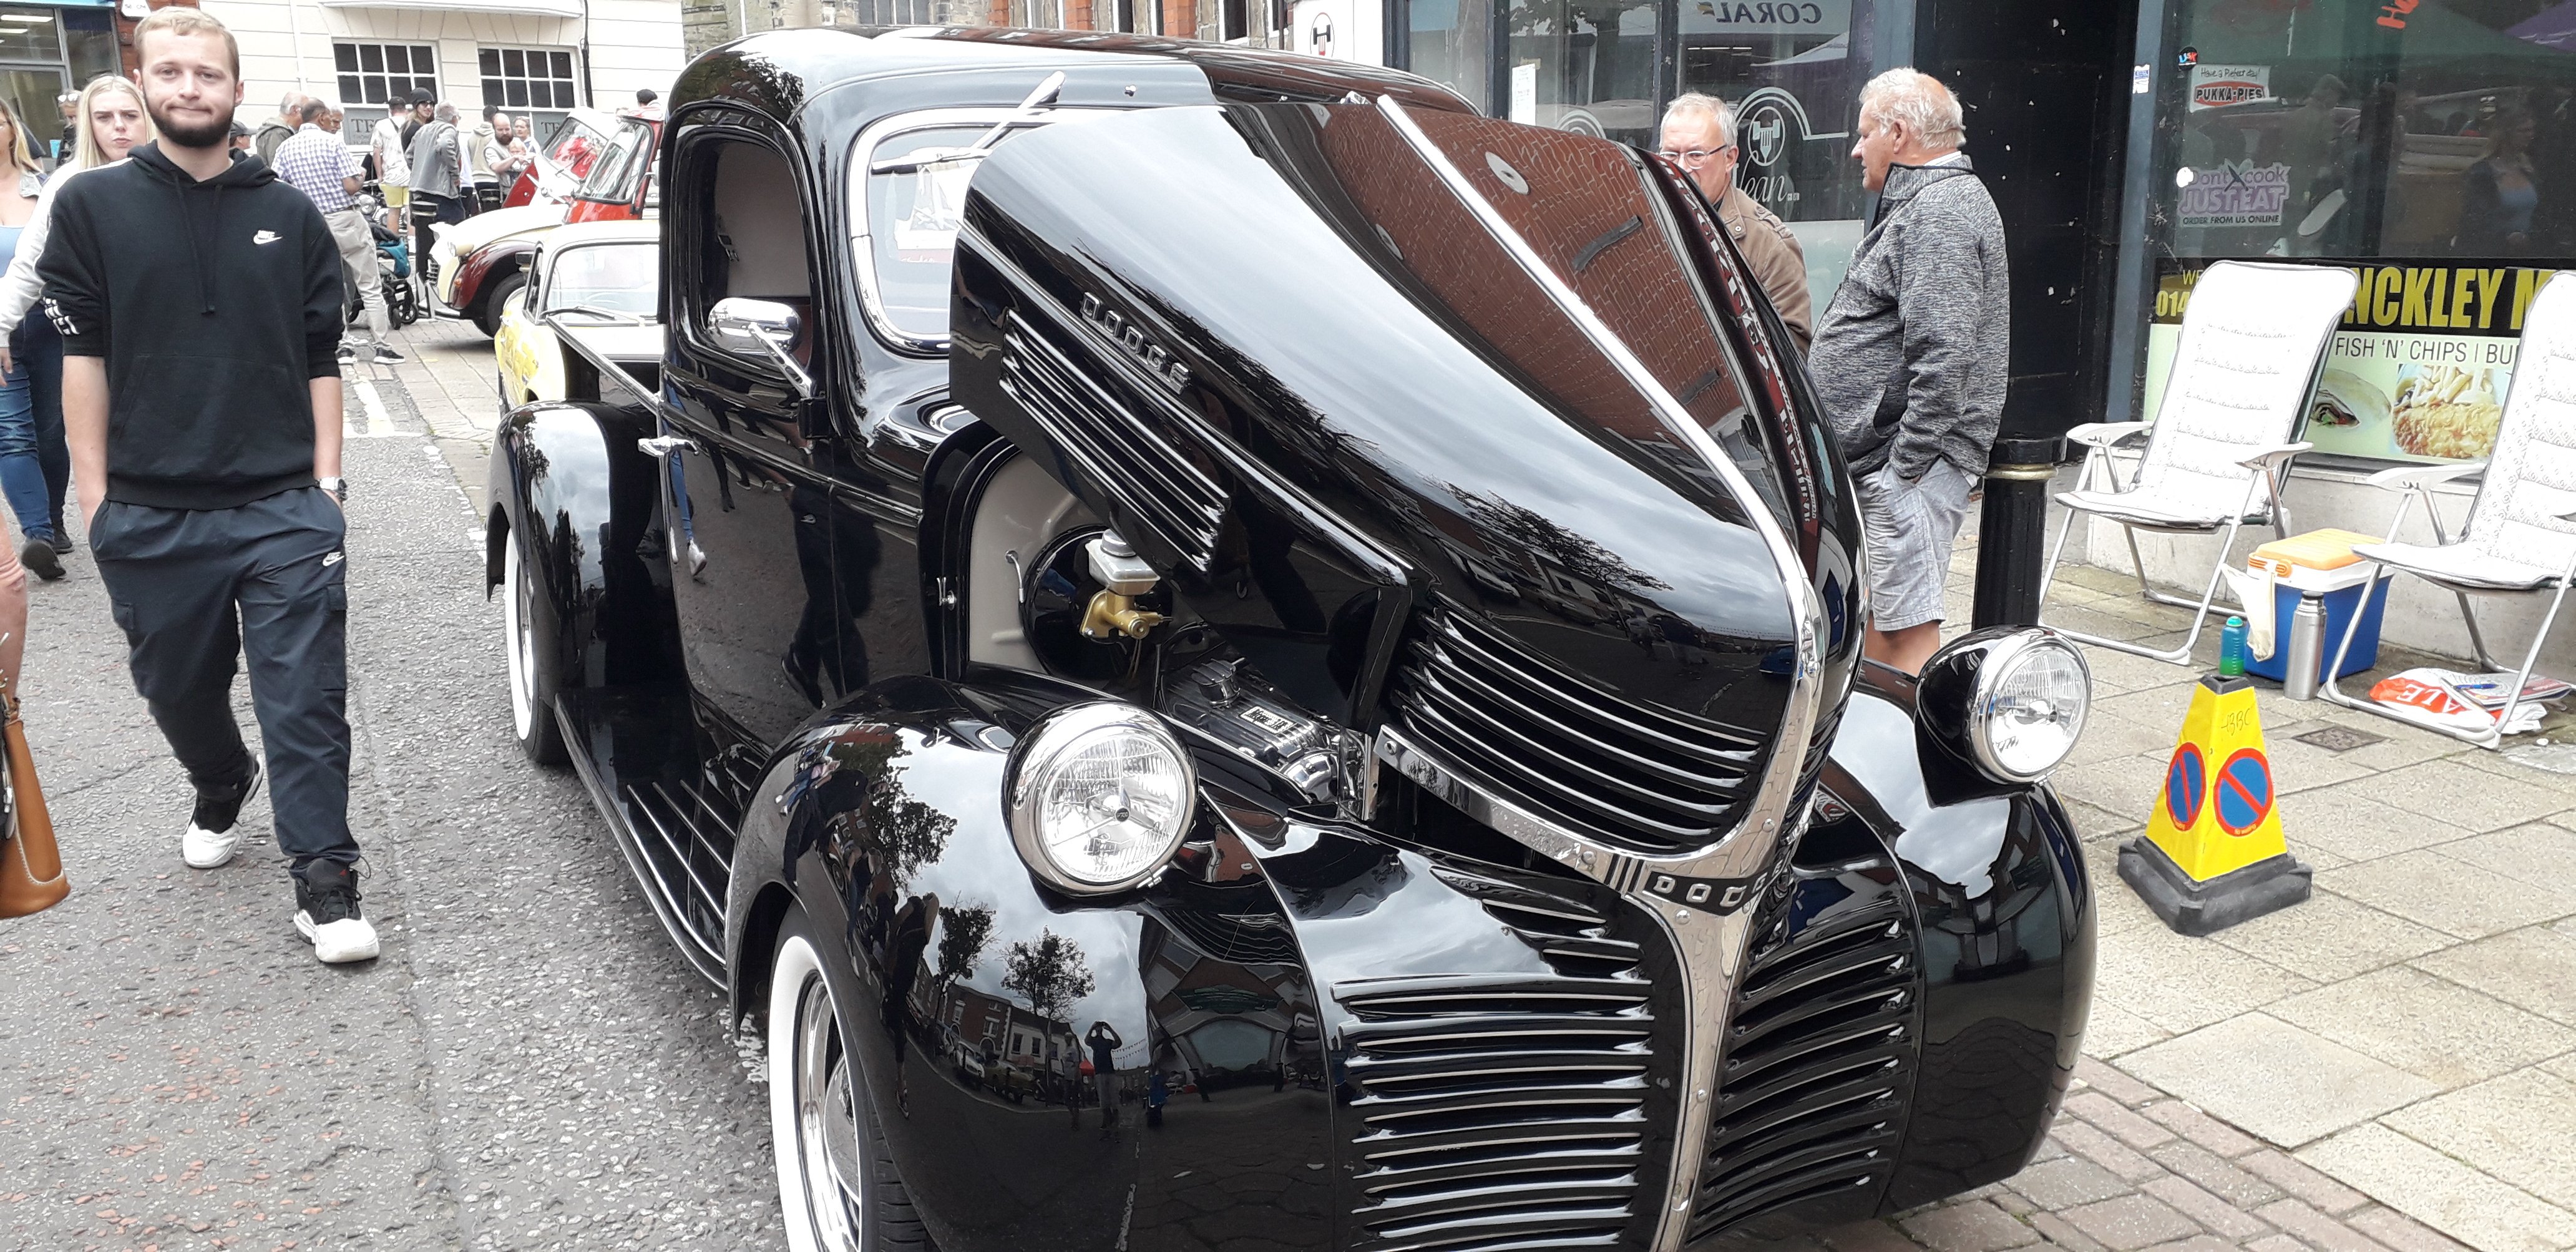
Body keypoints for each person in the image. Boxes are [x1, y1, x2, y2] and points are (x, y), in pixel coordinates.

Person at [41, 7, 378, 964]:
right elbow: (82, 360)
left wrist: (328, 484)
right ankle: (222, 777)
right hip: (149, 509)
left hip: (284, 507)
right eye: (171, 71)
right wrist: (96, 502)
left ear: (235, 88)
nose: (189, 87)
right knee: (178, 689)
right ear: (143, 82)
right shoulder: (91, 207)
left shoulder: (290, 213)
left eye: (208, 73)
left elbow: (322, 359)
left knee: (305, 700)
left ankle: (326, 878)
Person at [1807, 69, 2008, 676]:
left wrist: (1906, 467)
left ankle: (1914, 741)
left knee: (1903, 642)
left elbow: (1945, 354)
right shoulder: (1928, 203)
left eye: (1864, 133)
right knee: (1878, 635)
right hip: (1890, 462)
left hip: (1907, 468)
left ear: (1898, 134)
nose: (1856, 149)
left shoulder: (1941, 209)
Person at [0, 74, 152, 579]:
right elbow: (30, 262)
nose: (119, 127)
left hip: (163, 336)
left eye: (129, 115)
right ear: (87, 124)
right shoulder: (70, 184)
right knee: (78, 439)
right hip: (91, 339)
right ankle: (94, 537)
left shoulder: (174, 172)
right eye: (104, 117)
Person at [1658, 92, 1813, 353]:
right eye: (1671, 155)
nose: (1681, 168)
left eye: (1696, 155)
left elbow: (1791, 355)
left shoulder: (1769, 244)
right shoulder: (1639, 220)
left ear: (1729, 158)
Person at [274, 97, 402, 365]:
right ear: (321, 117)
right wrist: (361, 176)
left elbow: (278, 185)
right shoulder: (332, 143)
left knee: (331, 287)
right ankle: (382, 347)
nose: (334, 125)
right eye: (330, 119)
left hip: (314, 225)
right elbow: (350, 186)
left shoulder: (286, 147)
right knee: (369, 284)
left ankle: (343, 347)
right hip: (345, 219)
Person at [0, 99, 50, 577]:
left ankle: (54, 524)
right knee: (13, 433)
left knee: (53, 430)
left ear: (12, 129)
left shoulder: (44, 188)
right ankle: (40, 534)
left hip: (48, 321)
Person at [2459, 107, 2540, 256]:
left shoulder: (2529, 169)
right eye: (2523, 131)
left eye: (2532, 130)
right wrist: (2505, 239)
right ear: (2506, 134)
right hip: (2494, 253)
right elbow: (2475, 221)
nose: (2530, 135)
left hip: (2527, 253)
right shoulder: (2482, 173)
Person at [406, 100, 462, 268]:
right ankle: (450, 269)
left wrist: (419, 171)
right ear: (453, 118)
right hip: (441, 191)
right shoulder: (448, 129)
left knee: (424, 236)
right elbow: (445, 145)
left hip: (418, 190)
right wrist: (454, 174)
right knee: (456, 227)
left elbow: (409, 155)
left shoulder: (423, 130)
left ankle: (423, 274)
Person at [369, 92, 414, 235]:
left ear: (390, 110)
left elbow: (376, 152)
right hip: (411, 173)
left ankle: (394, 242)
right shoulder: (412, 123)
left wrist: (380, 176)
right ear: (405, 109)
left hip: (391, 175)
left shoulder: (381, 125)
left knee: (393, 211)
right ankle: (413, 243)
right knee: (410, 210)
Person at [1085, 1020, 1123, 1129]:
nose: (1099, 1029)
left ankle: (1115, 1121)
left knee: (1114, 1098)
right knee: (1103, 1099)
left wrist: (1110, 1029)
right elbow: (1087, 1041)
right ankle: (1107, 1120)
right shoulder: (1093, 1041)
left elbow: (1118, 1043)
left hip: (1109, 1072)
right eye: (1097, 1028)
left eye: (1100, 1027)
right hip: (1100, 1072)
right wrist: (1092, 1028)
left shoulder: (1107, 1042)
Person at [250, 90, 299, 165]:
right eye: (306, 110)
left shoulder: (280, 130)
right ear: (294, 110)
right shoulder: (277, 132)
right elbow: (276, 165)